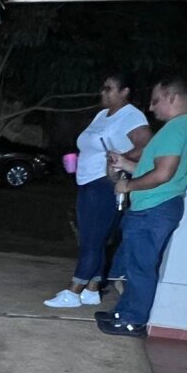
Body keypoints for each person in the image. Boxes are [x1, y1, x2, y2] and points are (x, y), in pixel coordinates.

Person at [97, 77, 187, 337]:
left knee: (140, 268)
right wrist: (124, 163)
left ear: (172, 97)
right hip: (153, 207)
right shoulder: (179, 127)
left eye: (155, 101)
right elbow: (153, 169)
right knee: (133, 265)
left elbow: (163, 174)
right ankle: (123, 313)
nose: (151, 108)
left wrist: (127, 186)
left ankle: (133, 320)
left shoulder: (176, 129)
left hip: (155, 208)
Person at [44, 73, 151, 309]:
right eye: (103, 88)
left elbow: (146, 146)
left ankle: (74, 290)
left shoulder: (131, 116)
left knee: (91, 240)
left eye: (109, 88)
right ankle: (92, 289)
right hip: (87, 181)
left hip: (105, 183)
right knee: (95, 238)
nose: (103, 92)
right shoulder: (103, 115)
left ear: (125, 92)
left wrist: (121, 160)